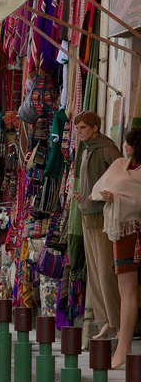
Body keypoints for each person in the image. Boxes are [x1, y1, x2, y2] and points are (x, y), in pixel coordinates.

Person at [91, 129, 141, 368]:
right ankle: (124, 346)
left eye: (130, 143)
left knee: (128, 291)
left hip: (133, 233)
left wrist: (118, 198)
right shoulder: (121, 164)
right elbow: (101, 186)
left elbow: (137, 199)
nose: (126, 147)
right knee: (124, 290)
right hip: (119, 232)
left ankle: (123, 349)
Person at [73, 111, 121, 340]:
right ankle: (104, 320)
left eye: (83, 127)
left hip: (102, 217)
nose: (79, 131)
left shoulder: (107, 148)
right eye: (77, 128)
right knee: (94, 272)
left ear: (95, 127)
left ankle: (115, 321)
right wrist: (83, 196)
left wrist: (106, 196)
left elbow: (123, 177)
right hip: (87, 215)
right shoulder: (87, 150)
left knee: (105, 270)